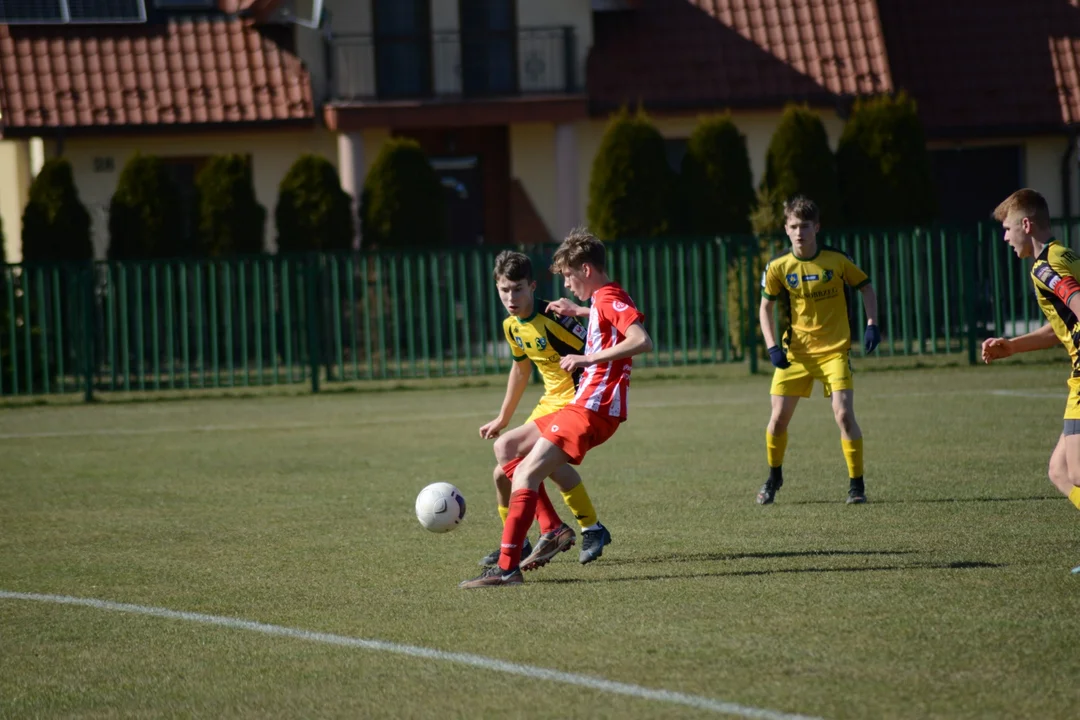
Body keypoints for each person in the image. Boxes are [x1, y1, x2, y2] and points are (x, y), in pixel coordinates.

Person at [460, 228, 653, 588]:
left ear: (585, 269)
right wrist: (581, 309)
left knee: (524, 475)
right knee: (507, 453)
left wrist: (587, 358)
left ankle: (513, 565)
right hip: (586, 406)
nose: (565, 284)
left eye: (567, 275)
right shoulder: (603, 299)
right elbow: (604, 316)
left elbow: (642, 340)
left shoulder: (607, 299)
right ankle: (540, 542)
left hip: (591, 406)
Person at [476, 250, 605, 571]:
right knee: (502, 475)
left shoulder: (554, 319)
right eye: (504, 290)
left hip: (576, 402)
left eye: (518, 288)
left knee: (511, 452)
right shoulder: (512, 326)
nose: (511, 297)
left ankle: (559, 528)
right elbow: (520, 370)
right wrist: (503, 418)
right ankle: (526, 542)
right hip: (549, 403)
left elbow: (593, 351)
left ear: (533, 286)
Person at [757, 195, 880, 505]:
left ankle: (857, 485)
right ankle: (774, 477)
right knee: (776, 421)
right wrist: (772, 346)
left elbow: (866, 286)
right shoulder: (778, 266)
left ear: (817, 227)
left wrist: (871, 324)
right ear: (786, 229)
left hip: (834, 352)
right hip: (796, 353)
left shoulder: (837, 261)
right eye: (794, 226)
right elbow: (764, 308)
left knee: (843, 416)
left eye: (806, 226)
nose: (800, 233)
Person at [982, 188, 1080, 574]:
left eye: (1007, 229)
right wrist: (1013, 347)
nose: (1005, 237)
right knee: (1058, 471)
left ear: (1026, 224)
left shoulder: (1044, 267)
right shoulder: (1063, 254)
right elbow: (1061, 328)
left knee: (1075, 472)